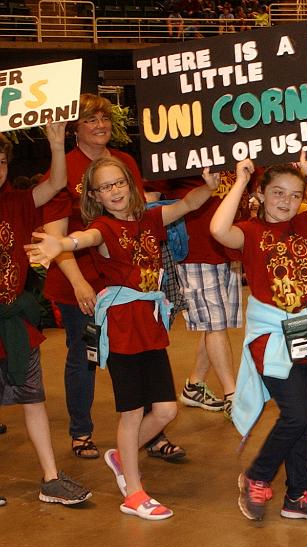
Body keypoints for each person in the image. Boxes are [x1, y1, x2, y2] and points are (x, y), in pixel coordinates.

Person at [27, 159, 219, 520]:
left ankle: (121, 453)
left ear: (130, 184)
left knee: (165, 410)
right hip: (121, 326)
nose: (114, 191)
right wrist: (62, 243)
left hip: (150, 323)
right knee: (131, 412)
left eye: (118, 183)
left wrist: (209, 185)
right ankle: (133, 492)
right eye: (105, 187)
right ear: (95, 196)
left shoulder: (148, 217)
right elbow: (86, 238)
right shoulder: (103, 226)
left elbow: (189, 204)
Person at [41, 93, 184, 463]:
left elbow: (140, 215)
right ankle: (81, 432)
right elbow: (58, 236)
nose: (101, 126)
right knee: (84, 356)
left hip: (130, 282)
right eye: (91, 120)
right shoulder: (63, 170)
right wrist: (78, 282)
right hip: (82, 283)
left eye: (105, 118)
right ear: (75, 128)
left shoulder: (124, 162)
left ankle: (152, 433)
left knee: (146, 350)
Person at [210, 153, 307, 523]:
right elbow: (218, 230)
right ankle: (257, 475)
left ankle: (298, 495)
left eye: (294, 194)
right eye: (277, 193)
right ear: (261, 194)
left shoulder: (306, 223)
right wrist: (240, 180)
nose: (285, 201)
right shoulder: (250, 232)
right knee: (296, 414)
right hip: (270, 336)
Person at [0, 124, 92, 507]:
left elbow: (56, 183)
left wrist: (57, 143)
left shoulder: (18, 201)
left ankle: (51, 478)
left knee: (34, 398)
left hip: (17, 322)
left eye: (1, 160)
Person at [164, 174, 243, 419]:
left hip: (230, 248)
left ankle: (195, 385)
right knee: (215, 324)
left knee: (217, 323)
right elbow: (150, 199)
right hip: (195, 250)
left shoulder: (236, 149)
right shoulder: (180, 151)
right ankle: (233, 396)